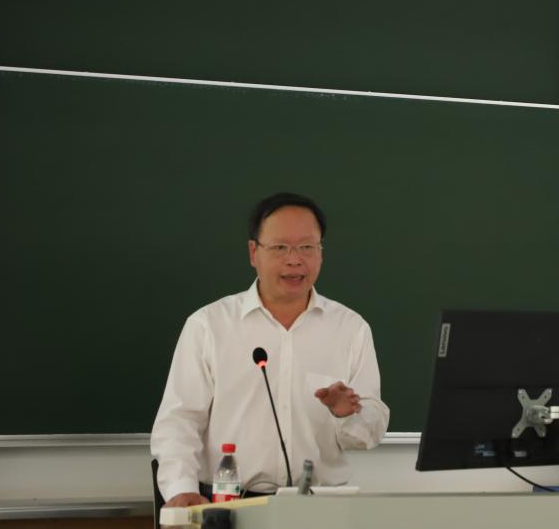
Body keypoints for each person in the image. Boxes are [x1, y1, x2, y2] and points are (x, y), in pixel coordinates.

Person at [151, 192, 390, 506]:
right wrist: (181, 489)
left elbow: (369, 432)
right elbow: (180, 420)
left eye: (307, 247)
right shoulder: (209, 325)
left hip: (320, 508)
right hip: (229, 502)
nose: (294, 259)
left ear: (321, 252)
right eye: (280, 248)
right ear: (254, 252)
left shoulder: (350, 328)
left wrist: (348, 413)